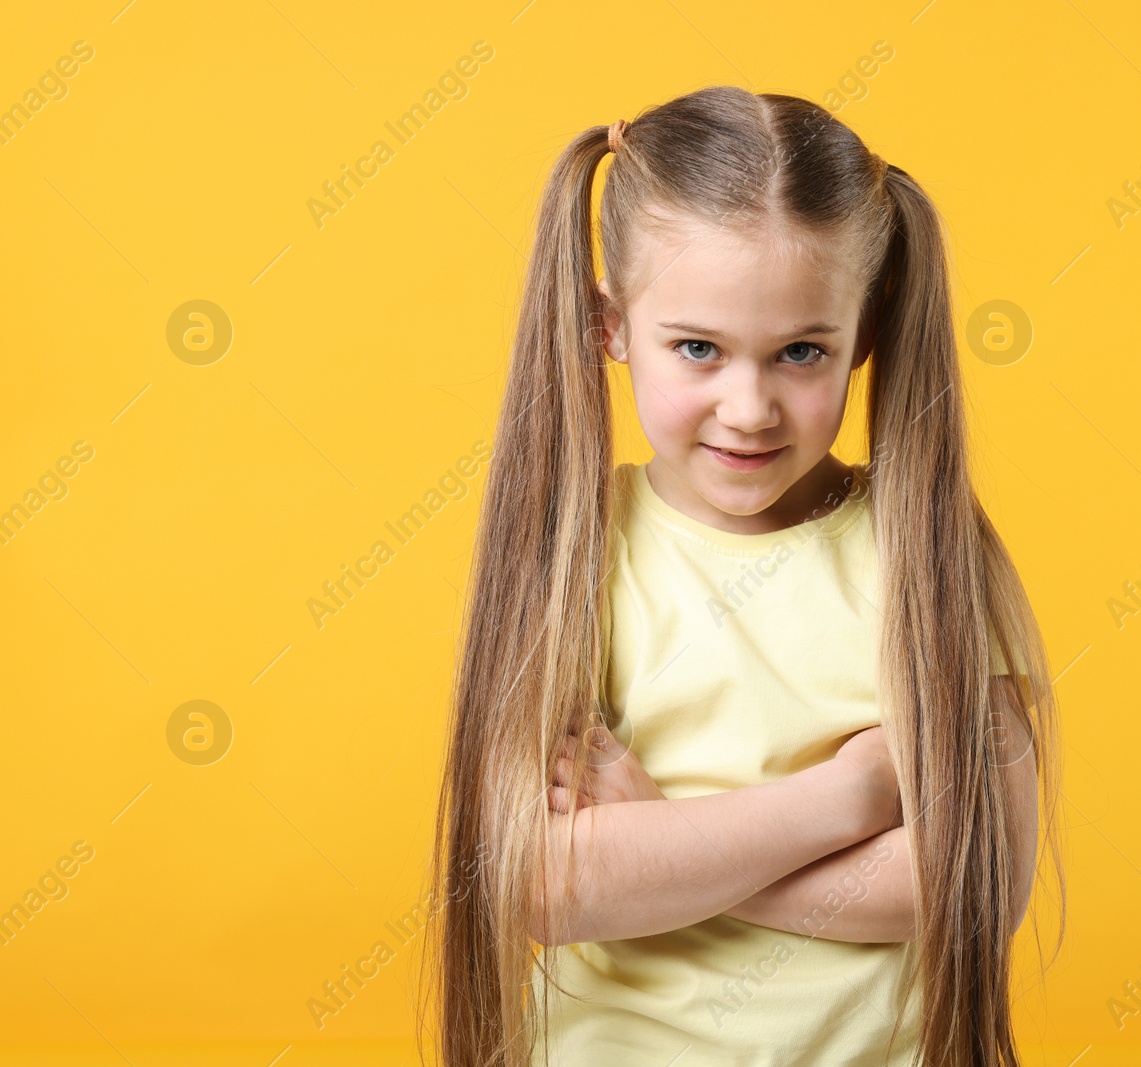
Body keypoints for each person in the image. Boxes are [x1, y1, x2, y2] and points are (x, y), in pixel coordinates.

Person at [422, 85, 1065, 1067]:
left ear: (868, 336)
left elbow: (968, 884)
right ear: (610, 326)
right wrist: (846, 798)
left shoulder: (928, 553)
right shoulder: (575, 553)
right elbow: (545, 885)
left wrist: (663, 843)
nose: (750, 405)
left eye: (801, 351)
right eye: (698, 349)